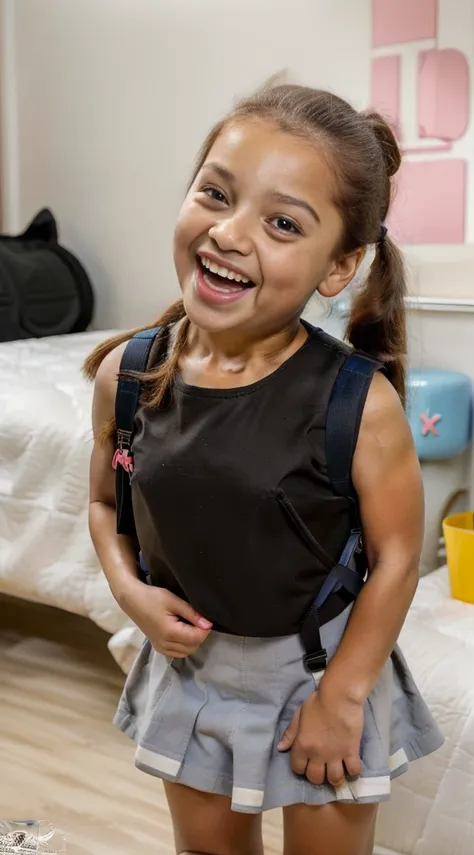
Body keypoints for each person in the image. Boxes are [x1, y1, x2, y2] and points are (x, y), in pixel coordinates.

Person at [85, 82, 443, 855]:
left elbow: (398, 558)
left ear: (339, 265)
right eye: (216, 193)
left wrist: (345, 695)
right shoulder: (127, 374)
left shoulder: (360, 404)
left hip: (323, 670)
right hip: (193, 673)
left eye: (283, 223)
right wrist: (129, 593)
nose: (230, 233)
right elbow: (105, 506)